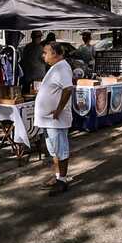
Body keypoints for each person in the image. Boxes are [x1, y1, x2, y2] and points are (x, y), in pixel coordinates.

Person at [35, 42, 74, 196]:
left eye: (46, 52)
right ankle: (58, 176)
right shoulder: (55, 68)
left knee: (60, 150)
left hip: (55, 120)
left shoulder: (62, 68)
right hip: (48, 119)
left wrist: (58, 110)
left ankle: (62, 181)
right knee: (54, 150)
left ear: (56, 54)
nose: (43, 55)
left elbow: (68, 89)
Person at [21, 30, 46, 95]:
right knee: (36, 96)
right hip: (37, 78)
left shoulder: (27, 47)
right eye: (39, 36)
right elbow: (45, 60)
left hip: (27, 77)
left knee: (27, 95)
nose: (39, 38)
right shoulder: (40, 48)